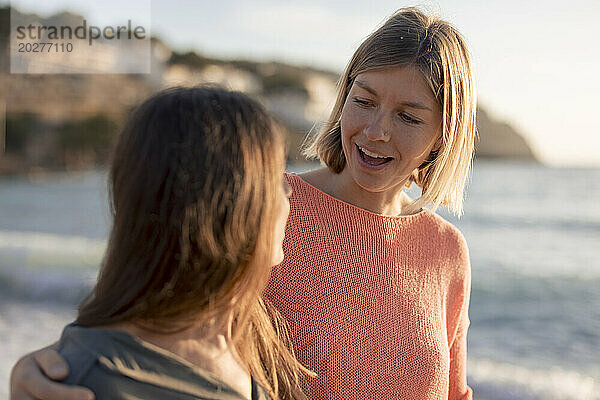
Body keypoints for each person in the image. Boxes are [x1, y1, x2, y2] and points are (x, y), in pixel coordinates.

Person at [11, 7, 476, 400]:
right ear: (344, 97)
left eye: (408, 117)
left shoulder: (448, 252)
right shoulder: (269, 209)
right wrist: (51, 363)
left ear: (442, 137)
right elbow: (151, 316)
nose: (376, 130)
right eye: (364, 101)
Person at [10, 86, 311, 400]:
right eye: (276, 179)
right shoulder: (93, 384)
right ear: (230, 210)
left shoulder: (247, 335)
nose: (288, 194)